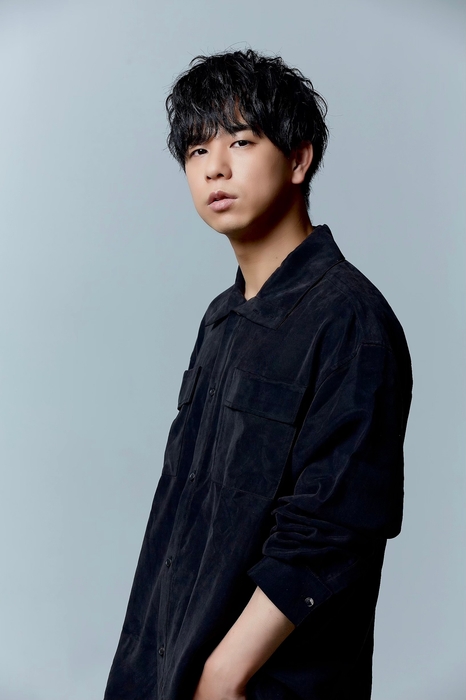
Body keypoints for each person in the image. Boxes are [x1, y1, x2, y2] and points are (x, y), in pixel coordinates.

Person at [103, 49, 412, 700]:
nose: (214, 167)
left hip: (261, 680)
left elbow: (334, 528)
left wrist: (225, 674)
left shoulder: (350, 319)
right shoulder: (222, 316)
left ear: (298, 160)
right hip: (166, 662)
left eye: (240, 141)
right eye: (197, 150)